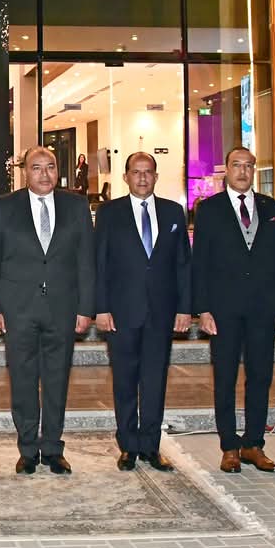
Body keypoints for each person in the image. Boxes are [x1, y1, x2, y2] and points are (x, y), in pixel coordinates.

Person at [0, 146, 94, 475]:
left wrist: (86, 307)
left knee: (57, 380)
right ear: (25, 172)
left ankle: (54, 448)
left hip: (63, 307)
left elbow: (86, 260)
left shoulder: (76, 206)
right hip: (17, 309)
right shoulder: (4, 206)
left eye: (50, 167)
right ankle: (28, 448)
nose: (44, 174)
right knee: (23, 380)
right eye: (36, 167)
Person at [192, 147, 275, 474]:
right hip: (223, 309)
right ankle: (229, 446)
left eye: (249, 165)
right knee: (225, 378)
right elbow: (200, 262)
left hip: (264, 307)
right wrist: (202, 309)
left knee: (261, 376)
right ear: (227, 170)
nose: (243, 171)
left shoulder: (271, 208)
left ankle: (253, 444)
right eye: (237, 165)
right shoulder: (209, 210)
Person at [94, 151, 191, 472]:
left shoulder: (173, 212)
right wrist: (101, 308)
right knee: (124, 381)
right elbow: (100, 264)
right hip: (122, 312)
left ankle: (150, 446)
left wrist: (185, 308)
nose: (142, 178)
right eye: (136, 172)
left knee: (154, 381)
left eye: (148, 172)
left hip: (162, 312)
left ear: (156, 176)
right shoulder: (109, 213)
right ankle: (128, 446)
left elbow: (183, 265)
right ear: (126, 177)